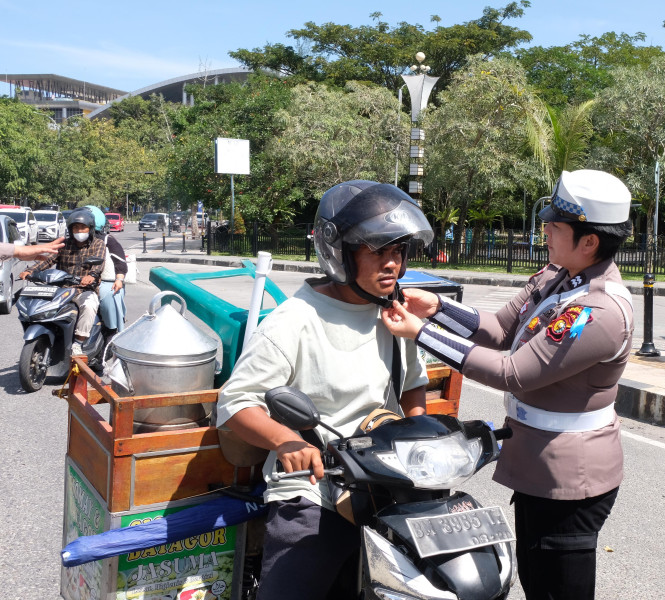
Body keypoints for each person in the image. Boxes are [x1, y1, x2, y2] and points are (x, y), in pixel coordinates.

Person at [382, 169, 635, 600]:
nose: (546, 230)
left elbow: (513, 370)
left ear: (589, 241)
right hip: (539, 462)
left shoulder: (599, 310)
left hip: (570, 476)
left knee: (557, 588)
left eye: (556, 225)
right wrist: (438, 308)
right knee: (536, 577)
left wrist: (421, 333)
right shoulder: (558, 277)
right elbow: (501, 329)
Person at [216, 180, 434, 600]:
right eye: (378, 251)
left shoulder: (392, 313)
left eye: (399, 251)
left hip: (385, 481)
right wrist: (285, 440)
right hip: (316, 485)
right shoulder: (294, 320)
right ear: (340, 252)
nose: (393, 265)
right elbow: (235, 401)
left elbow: (413, 386)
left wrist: (423, 436)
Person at [20, 208, 105, 355]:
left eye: (82, 227)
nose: (79, 231)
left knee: (89, 305)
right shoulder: (65, 245)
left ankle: (78, 342)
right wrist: (31, 271)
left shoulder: (97, 244)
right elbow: (48, 260)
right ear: (70, 229)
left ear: (90, 229)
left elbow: (98, 264)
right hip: (60, 288)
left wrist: (91, 275)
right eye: (75, 227)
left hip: (84, 289)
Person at [84, 206, 128, 332]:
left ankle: (112, 332)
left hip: (105, 282)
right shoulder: (71, 242)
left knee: (109, 296)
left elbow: (121, 264)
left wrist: (119, 279)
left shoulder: (107, 240)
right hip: (77, 282)